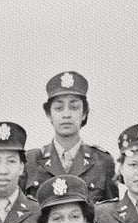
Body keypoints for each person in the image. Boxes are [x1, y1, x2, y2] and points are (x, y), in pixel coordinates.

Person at [23, 71, 116, 203]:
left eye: (74, 107)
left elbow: (109, 214)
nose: (66, 114)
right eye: (59, 108)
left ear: (84, 113)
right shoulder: (30, 161)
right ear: (49, 114)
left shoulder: (103, 162)